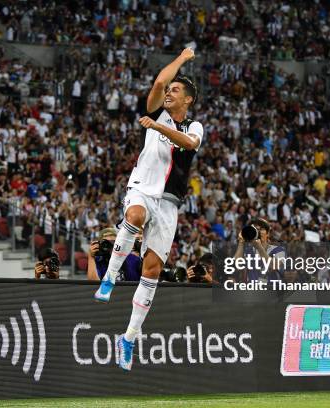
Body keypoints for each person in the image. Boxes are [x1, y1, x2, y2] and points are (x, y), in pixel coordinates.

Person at [94, 47, 203, 371]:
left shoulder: (194, 126)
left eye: (176, 90)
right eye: (169, 90)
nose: (169, 92)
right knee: (135, 217)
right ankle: (109, 278)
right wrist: (182, 58)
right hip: (142, 188)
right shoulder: (158, 112)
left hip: (169, 203)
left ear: (189, 100)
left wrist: (158, 130)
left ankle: (128, 338)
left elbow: (189, 145)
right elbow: (157, 83)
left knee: (152, 269)